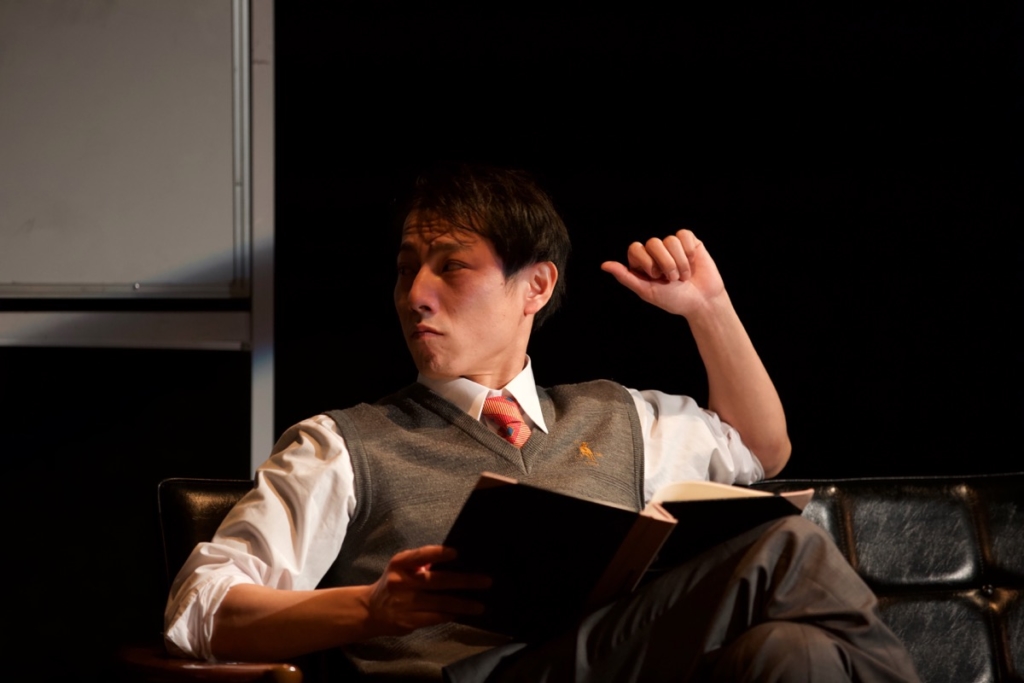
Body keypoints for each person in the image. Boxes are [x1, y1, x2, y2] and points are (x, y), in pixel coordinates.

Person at [165, 164, 919, 682]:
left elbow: (759, 448)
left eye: (450, 266)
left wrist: (709, 310)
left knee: (790, 653)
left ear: (536, 286)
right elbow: (201, 610)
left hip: (605, 665)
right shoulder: (342, 443)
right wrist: (372, 608)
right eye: (405, 268)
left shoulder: (615, 414)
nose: (415, 294)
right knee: (785, 546)